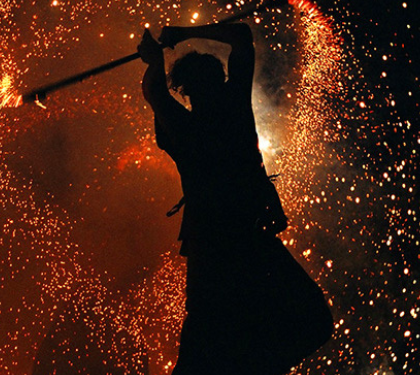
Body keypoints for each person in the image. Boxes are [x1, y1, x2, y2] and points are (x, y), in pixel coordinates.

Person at [139, 23, 333, 375]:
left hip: (215, 243)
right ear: (219, 78)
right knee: (310, 319)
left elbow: (154, 91)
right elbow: (241, 36)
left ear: (186, 91)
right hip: (243, 238)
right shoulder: (234, 108)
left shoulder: (182, 127)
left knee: (206, 340)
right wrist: (184, 32)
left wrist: (153, 61)